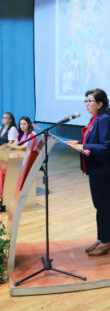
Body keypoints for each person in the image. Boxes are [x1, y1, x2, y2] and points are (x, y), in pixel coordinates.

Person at [66, 88, 110, 256]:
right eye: (85, 101)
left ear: (100, 104)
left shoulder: (105, 119)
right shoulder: (95, 119)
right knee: (99, 206)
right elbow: (92, 141)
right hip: (95, 169)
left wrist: (82, 146)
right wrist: (77, 142)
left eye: (90, 101)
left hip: (104, 170)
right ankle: (102, 237)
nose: (86, 104)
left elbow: (106, 146)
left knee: (105, 206)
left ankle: (106, 242)